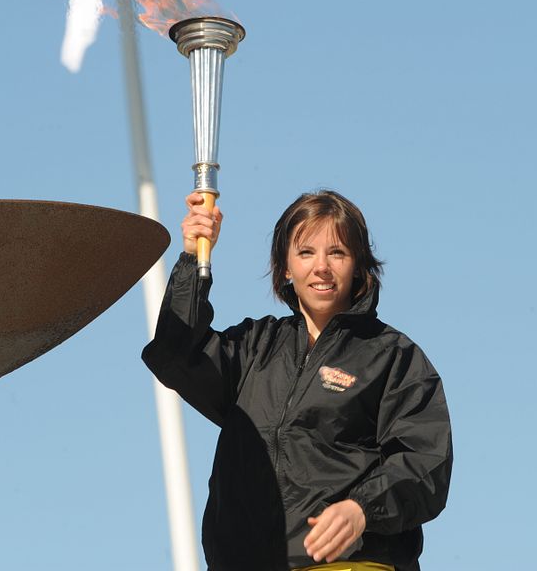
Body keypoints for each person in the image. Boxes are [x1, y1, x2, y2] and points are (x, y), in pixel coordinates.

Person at [142, 190, 452, 571]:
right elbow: (175, 355)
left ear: (358, 265)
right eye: (306, 253)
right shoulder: (254, 347)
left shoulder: (393, 356)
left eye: (337, 253)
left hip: (350, 563)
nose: (321, 266)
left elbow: (426, 464)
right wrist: (193, 258)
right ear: (285, 267)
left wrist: (361, 510)